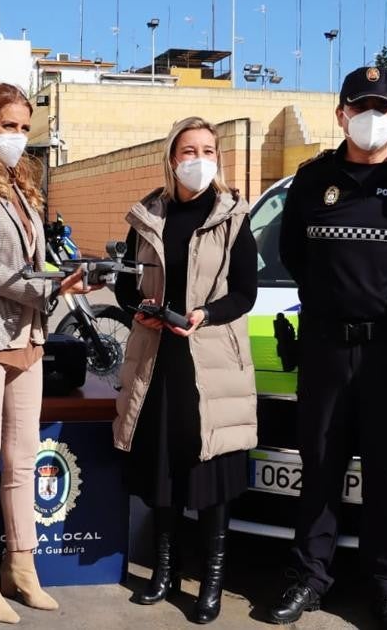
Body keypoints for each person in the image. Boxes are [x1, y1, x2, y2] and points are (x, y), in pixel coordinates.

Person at [270, 66, 387, 629]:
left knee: (386, 472)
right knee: (320, 468)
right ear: (340, 113)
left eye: (382, 107)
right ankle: (310, 577)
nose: (371, 117)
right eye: (359, 106)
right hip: (323, 347)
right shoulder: (313, 179)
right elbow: (294, 253)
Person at [0, 82, 97, 624]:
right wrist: (52, 288)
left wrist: (64, 279)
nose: (17, 136)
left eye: (25, 127)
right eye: (8, 125)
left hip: (26, 337)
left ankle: (21, 566)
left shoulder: (20, 186)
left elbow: (30, 262)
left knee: (22, 459)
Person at [112, 117, 259, 625]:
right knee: (165, 470)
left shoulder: (234, 216)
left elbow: (245, 292)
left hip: (212, 360)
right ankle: (164, 571)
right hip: (159, 360)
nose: (199, 158)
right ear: (171, 158)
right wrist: (139, 303)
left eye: (208, 149)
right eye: (189, 149)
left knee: (212, 475)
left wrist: (205, 316)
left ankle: (212, 582)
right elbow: (126, 282)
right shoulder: (148, 215)